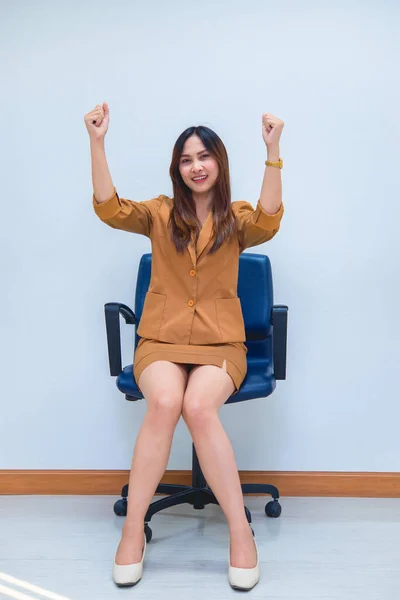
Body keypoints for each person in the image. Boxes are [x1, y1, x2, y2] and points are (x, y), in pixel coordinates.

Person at [84, 102, 285, 590]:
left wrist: (273, 150)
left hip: (221, 344)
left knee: (198, 405)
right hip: (160, 340)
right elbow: (110, 208)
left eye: (204, 157)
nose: (196, 166)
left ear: (218, 162)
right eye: (186, 159)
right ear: (177, 168)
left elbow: (271, 218)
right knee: (166, 401)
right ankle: (134, 530)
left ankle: (241, 533)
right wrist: (97, 141)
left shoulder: (237, 220)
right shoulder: (158, 213)